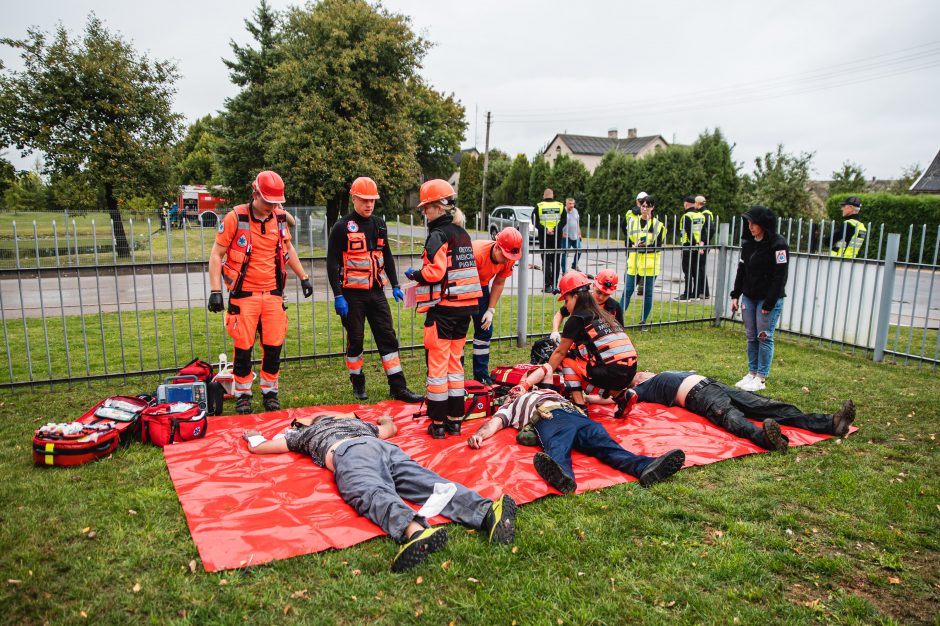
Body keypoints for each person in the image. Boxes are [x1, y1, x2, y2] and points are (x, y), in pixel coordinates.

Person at [243, 412, 517, 572]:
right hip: (383, 448)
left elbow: (262, 446)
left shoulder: (305, 434)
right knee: (428, 483)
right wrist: (384, 416)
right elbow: (391, 427)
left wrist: (252, 435)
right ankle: (485, 513)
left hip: (349, 453)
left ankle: (415, 532)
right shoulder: (360, 425)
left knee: (369, 490)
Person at [207, 171, 313, 414]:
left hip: (274, 294)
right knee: (243, 348)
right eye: (268, 202)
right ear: (254, 194)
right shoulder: (235, 218)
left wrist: (304, 277)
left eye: (276, 203)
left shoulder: (278, 219)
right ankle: (243, 394)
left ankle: (270, 392)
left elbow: (288, 250)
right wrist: (215, 291)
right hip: (244, 295)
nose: (272, 207)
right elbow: (216, 255)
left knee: (273, 346)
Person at [467, 385, 685, 493]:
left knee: (607, 447)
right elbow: (494, 424)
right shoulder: (511, 407)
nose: (516, 391)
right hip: (548, 416)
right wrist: (479, 435)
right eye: (512, 392)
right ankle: (563, 477)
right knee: (558, 447)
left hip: (577, 416)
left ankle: (646, 467)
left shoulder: (549, 390)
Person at [327, 177, 422, 403]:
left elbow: (386, 256)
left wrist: (396, 285)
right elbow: (332, 263)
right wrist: (339, 295)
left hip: (376, 292)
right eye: (364, 200)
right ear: (354, 199)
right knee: (356, 340)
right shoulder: (341, 227)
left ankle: (398, 387)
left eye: (372, 200)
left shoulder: (379, 224)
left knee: (388, 338)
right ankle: (357, 382)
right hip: (352, 295)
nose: (368, 204)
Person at [406, 179, 483, 438]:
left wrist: (415, 274)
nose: (424, 213)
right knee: (455, 364)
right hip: (465, 311)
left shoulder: (437, 235)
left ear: (439, 207)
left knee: (438, 367)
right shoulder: (463, 234)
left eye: (426, 208)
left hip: (443, 310)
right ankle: (454, 421)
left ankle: (437, 424)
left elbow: (436, 272)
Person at [631, 370, 856, 452]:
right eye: (640, 374)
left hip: (714, 385)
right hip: (699, 396)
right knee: (729, 416)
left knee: (767, 406)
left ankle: (829, 423)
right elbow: (619, 399)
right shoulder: (645, 387)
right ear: (637, 382)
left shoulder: (665, 373)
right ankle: (765, 438)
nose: (644, 372)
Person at [529, 271, 637, 418]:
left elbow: (560, 353)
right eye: (599, 292)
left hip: (610, 370)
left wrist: (540, 377)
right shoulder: (603, 312)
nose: (566, 306)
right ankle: (620, 396)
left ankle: (580, 407)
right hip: (630, 369)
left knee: (567, 361)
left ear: (575, 296)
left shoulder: (578, 317)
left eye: (566, 301)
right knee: (582, 365)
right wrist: (556, 331)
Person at [730, 206, 789, 392]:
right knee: (751, 337)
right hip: (749, 297)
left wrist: (769, 302)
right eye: (748, 223)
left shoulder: (779, 245)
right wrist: (735, 294)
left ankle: (761, 377)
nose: (750, 227)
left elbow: (780, 276)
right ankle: (751, 373)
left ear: (763, 224)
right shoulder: (748, 244)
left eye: (753, 223)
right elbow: (742, 270)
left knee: (764, 337)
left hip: (767, 300)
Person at [467, 228, 521, 384]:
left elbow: (499, 281)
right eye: (505, 257)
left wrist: (490, 309)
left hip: (482, 287)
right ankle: (455, 376)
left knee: (485, 329)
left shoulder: (510, 256)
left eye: (510, 257)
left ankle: (481, 375)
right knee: (459, 330)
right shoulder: (476, 253)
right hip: (463, 287)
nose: (507, 261)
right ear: (497, 247)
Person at [620, 194, 666, 325]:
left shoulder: (658, 225)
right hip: (634, 263)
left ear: (653, 207)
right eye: (643, 206)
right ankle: (617, 319)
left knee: (648, 294)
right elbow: (628, 242)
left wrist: (645, 247)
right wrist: (633, 246)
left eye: (647, 206)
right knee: (627, 292)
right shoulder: (633, 222)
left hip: (650, 265)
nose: (644, 208)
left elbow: (658, 246)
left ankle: (643, 320)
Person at [550, 269, 623, 343]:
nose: (601, 297)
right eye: (599, 292)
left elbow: (621, 333)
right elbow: (560, 314)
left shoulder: (615, 307)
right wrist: (555, 331)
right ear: (594, 285)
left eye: (606, 295)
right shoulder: (580, 301)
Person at [532, 188, 566, 293]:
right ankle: (555, 285)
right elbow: (564, 221)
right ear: (553, 196)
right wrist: (555, 229)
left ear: (544, 196)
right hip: (556, 238)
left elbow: (534, 220)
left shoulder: (539, 206)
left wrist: (546, 230)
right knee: (556, 261)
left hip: (544, 238)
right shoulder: (560, 206)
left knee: (546, 261)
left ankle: (547, 286)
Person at [677, 195, 706, 301]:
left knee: (687, 270)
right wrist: (700, 244)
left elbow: (689, 233)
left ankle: (687, 294)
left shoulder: (687, 216)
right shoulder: (700, 215)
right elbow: (704, 232)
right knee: (695, 270)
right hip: (698, 246)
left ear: (686, 204)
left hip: (688, 246)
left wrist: (694, 244)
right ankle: (696, 294)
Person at [694, 195, 713, 299]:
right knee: (700, 267)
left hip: (703, 245)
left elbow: (711, 229)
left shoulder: (705, 214)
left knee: (700, 267)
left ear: (697, 203)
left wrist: (703, 242)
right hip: (703, 244)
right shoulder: (703, 213)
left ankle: (704, 292)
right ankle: (703, 291)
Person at [560, 197, 582, 273]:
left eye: (573, 203)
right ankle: (564, 271)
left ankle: (574, 265)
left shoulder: (575, 211)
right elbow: (558, 223)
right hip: (566, 237)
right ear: (566, 203)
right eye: (570, 203)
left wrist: (579, 233)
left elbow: (577, 223)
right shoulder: (562, 211)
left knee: (579, 251)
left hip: (575, 236)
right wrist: (561, 232)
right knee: (565, 254)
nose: (571, 205)